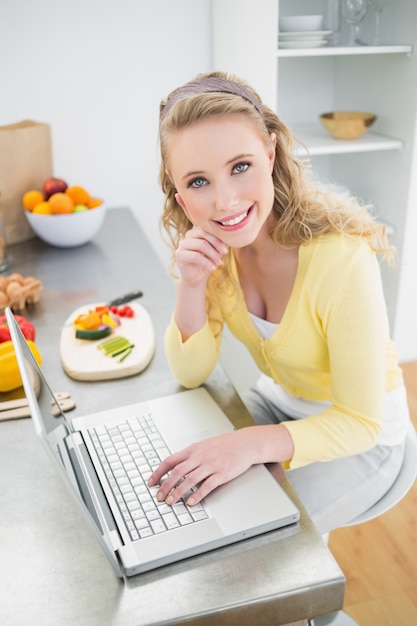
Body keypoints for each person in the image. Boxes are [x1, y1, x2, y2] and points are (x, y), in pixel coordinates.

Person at [148, 71, 410, 535]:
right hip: (279, 404)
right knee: (195, 510)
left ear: (270, 153)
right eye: (198, 181)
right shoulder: (213, 249)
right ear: (177, 189)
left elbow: (359, 422)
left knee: (261, 540)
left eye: (241, 166)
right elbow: (191, 373)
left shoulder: (342, 259)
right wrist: (190, 284)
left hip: (364, 439)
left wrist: (248, 446)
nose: (225, 201)